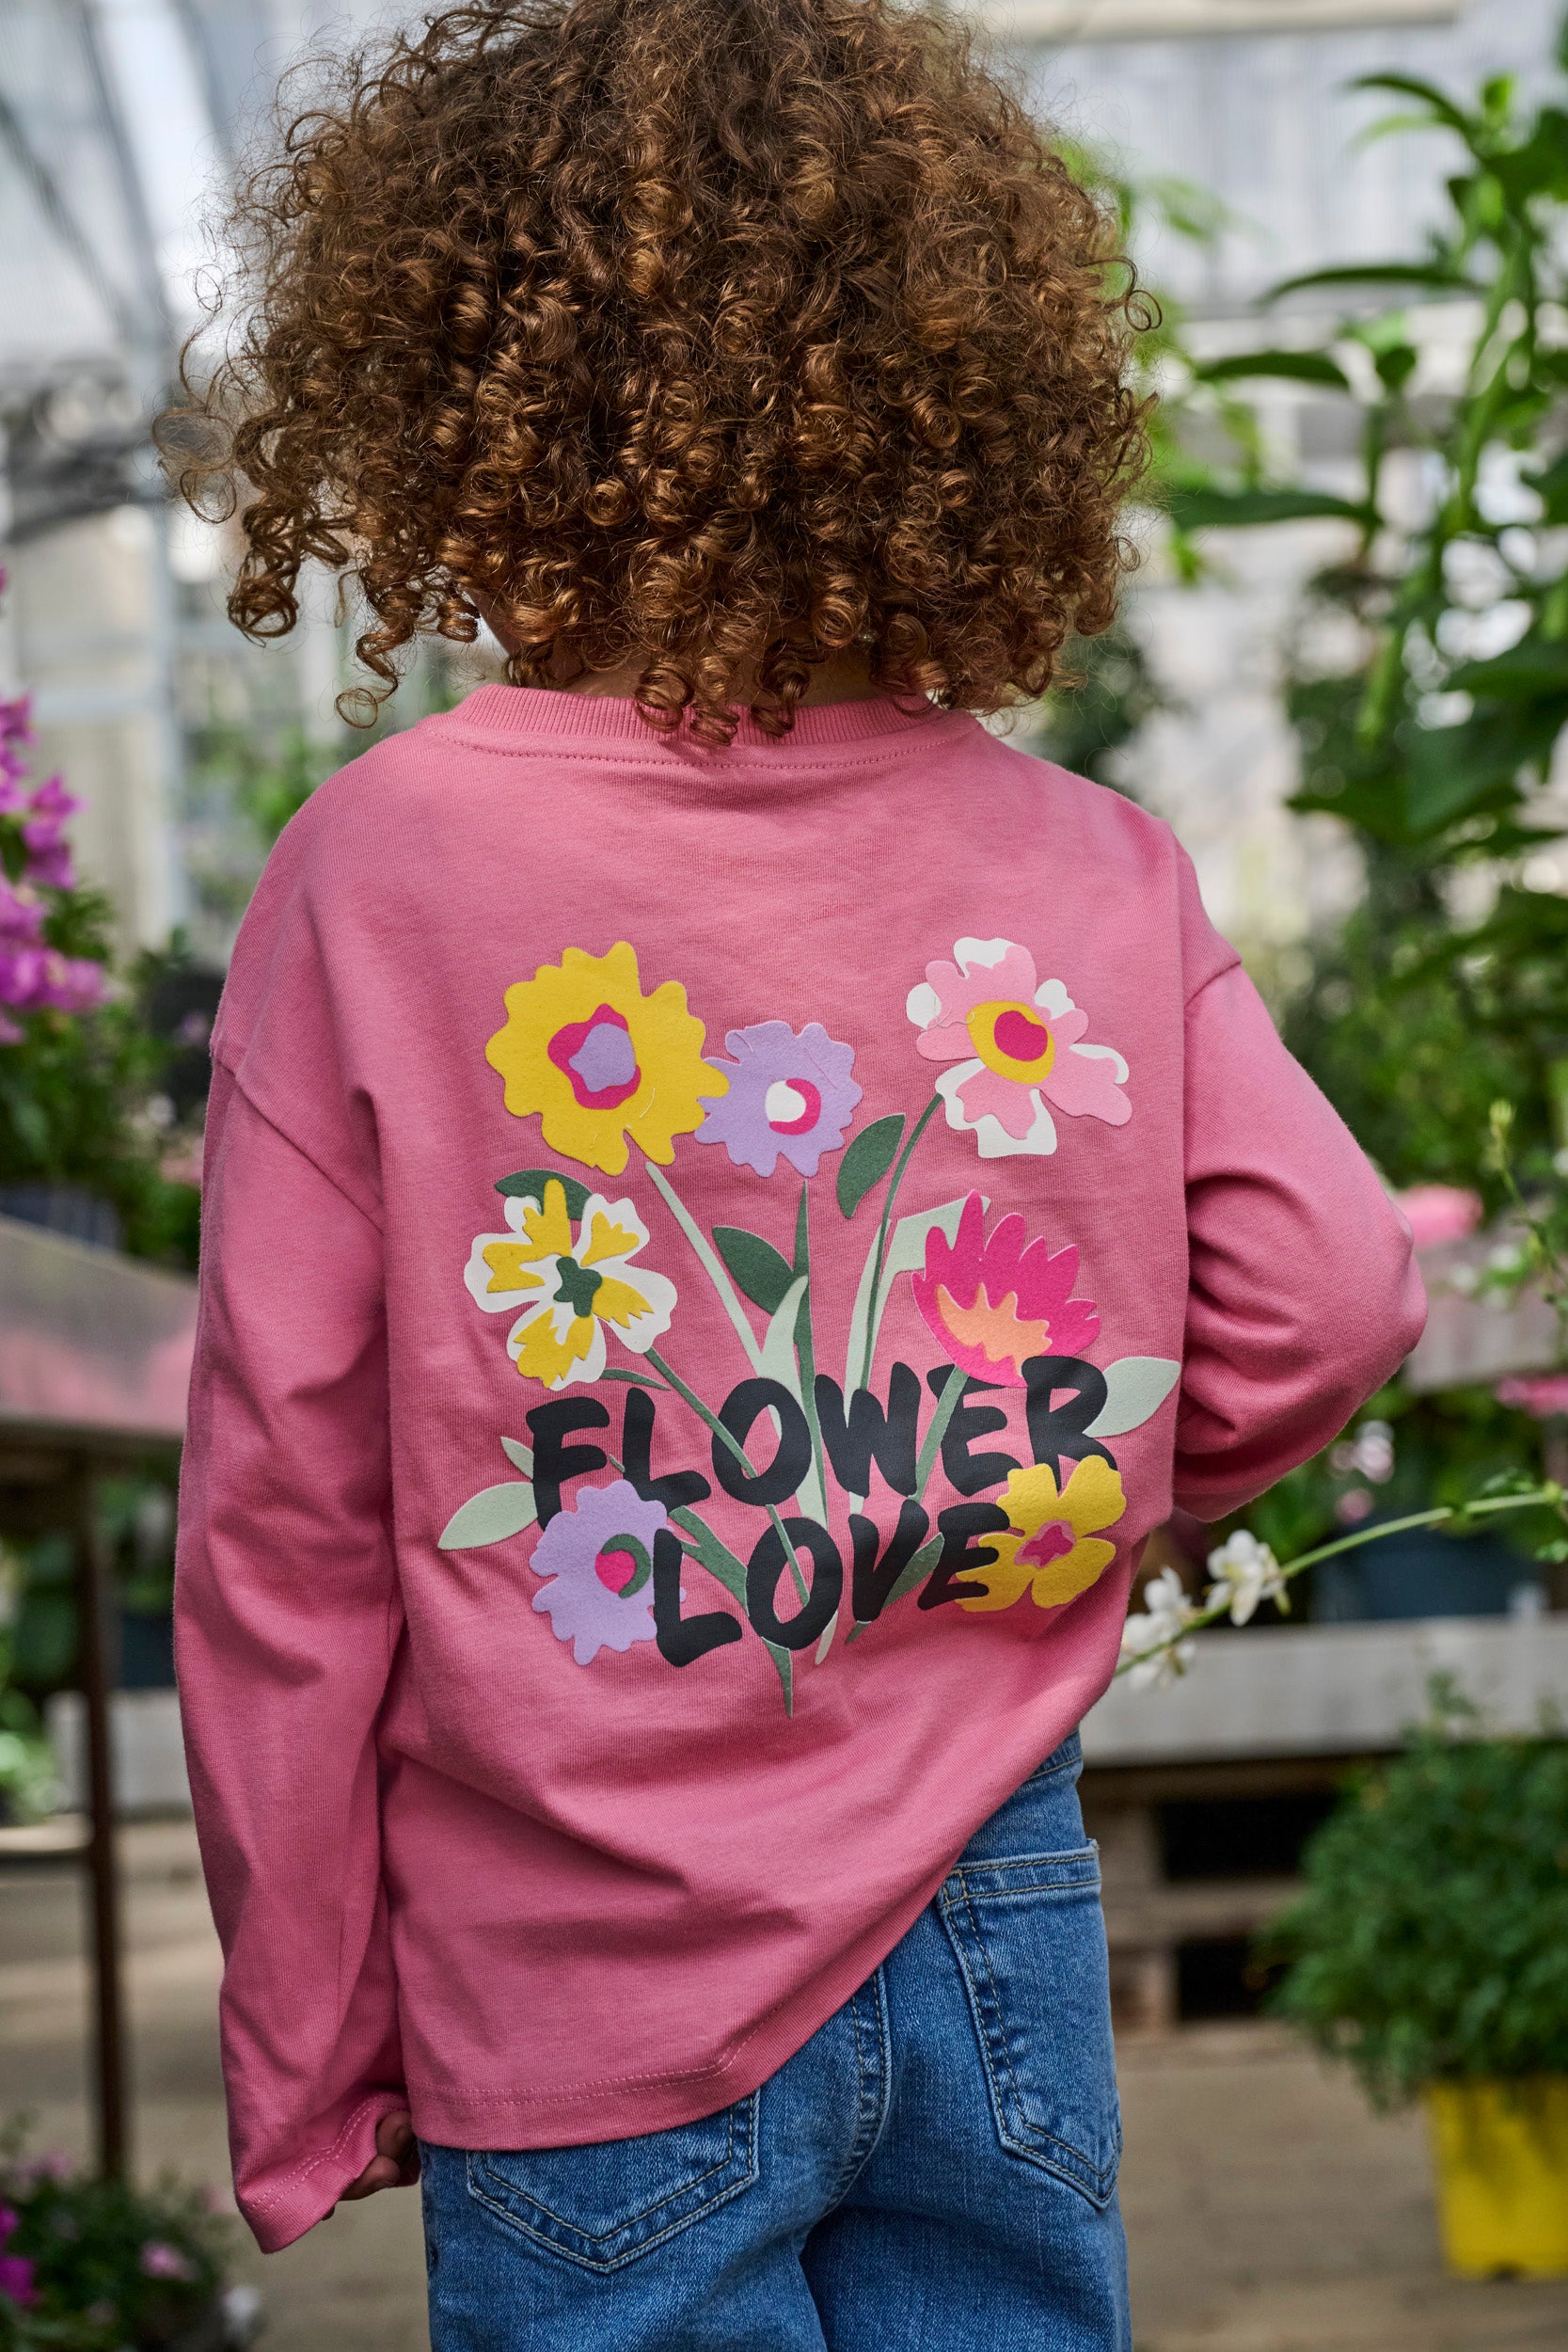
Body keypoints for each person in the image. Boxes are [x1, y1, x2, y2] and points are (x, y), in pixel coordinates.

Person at [167, 3, 1426, 2344]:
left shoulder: (381, 872)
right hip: (993, 1902)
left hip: (579, 1972)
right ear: (960, 414)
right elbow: (1335, 1290)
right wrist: (1072, 1506)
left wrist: (312, 2028)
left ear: (455, 410)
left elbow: (285, 1531)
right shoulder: (1090, 862)